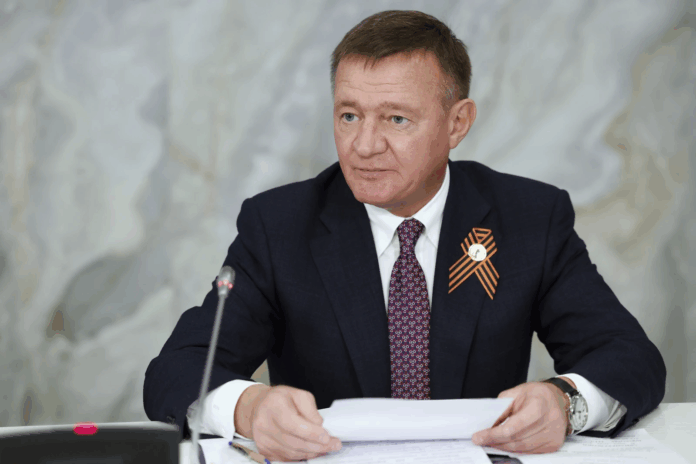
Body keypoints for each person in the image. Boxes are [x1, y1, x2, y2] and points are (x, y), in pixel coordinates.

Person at [143, 10, 665, 462]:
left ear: (457, 123)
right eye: (349, 115)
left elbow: (629, 356)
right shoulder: (279, 225)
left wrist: (565, 404)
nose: (365, 145)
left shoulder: (529, 217)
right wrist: (249, 408)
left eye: (396, 119)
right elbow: (178, 369)